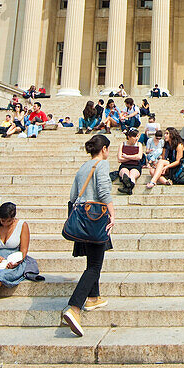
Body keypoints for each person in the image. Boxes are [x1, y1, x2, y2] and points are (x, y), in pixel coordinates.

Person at [61, 133, 115, 336]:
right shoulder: (101, 165)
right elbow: (103, 192)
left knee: (92, 260)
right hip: (96, 217)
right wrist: (112, 214)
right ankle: (74, 307)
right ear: (104, 149)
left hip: (82, 218)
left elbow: (73, 196)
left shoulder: (83, 167)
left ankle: (93, 297)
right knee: (94, 266)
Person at [116, 127, 144, 194]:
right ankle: (129, 188)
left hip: (135, 166)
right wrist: (134, 157)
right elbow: (119, 159)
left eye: (137, 136)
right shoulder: (122, 144)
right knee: (124, 173)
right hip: (124, 165)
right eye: (134, 137)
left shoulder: (139, 145)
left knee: (132, 174)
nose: (136, 138)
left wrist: (126, 156)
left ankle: (127, 187)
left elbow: (139, 156)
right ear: (129, 137)